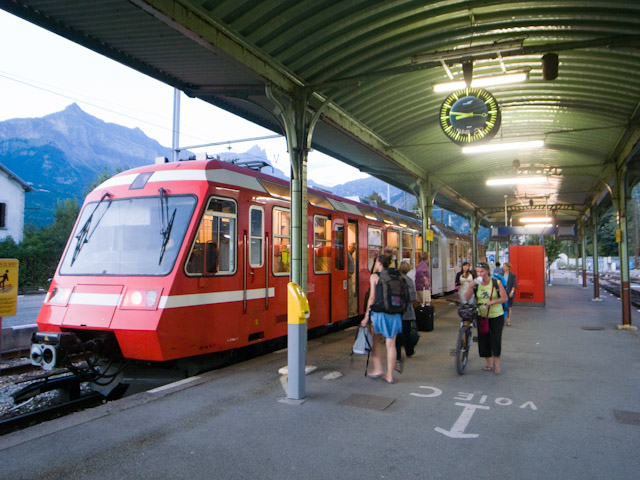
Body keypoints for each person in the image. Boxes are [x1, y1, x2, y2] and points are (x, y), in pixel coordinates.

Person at [361, 255, 402, 384]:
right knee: (391, 344)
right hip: (395, 313)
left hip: (379, 314)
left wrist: (366, 315)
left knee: (376, 342)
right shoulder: (396, 276)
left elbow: (372, 298)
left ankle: (378, 369)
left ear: (379, 263)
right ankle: (390, 376)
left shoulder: (374, 276)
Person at [464, 261, 508, 374]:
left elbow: (504, 298)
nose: (480, 274)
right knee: (484, 340)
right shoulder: (476, 284)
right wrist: (470, 286)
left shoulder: (496, 283)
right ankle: (488, 363)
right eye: (478, 272)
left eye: (482, 271)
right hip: (482, 316)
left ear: (487, 271)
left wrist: (493, 301)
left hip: (496, 315)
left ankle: (496, 364)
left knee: (496, 339)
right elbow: (466, 297)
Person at [395, 260, 417, 372]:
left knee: (397, 334)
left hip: (396, 310)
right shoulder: (409, 280)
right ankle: (409, 351)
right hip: (406, 310)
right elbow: (413, 297)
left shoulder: (395, 279)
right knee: (407, 332)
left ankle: (398, 355)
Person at [502, 262, 517, 326]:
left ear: (508, 267)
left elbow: (514, 284)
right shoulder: (501, 274)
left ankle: (508, 319)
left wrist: (512, 291)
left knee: (509, 306)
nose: (503, 267)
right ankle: (502, 319)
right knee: (502, 306)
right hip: (502, 292)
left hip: (509, 291)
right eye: (503, 266)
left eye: (505, 266)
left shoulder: (512, 275)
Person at [347, 242, 357, 316]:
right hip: (348, 277)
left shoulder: (350, 255)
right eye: (353, 248)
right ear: (349, 246)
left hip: (349, 277)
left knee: (350, 295)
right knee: (350, 295)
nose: (354, 250)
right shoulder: (347, 254)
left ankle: (350, 310)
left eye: (355, 248)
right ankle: (349, 311)